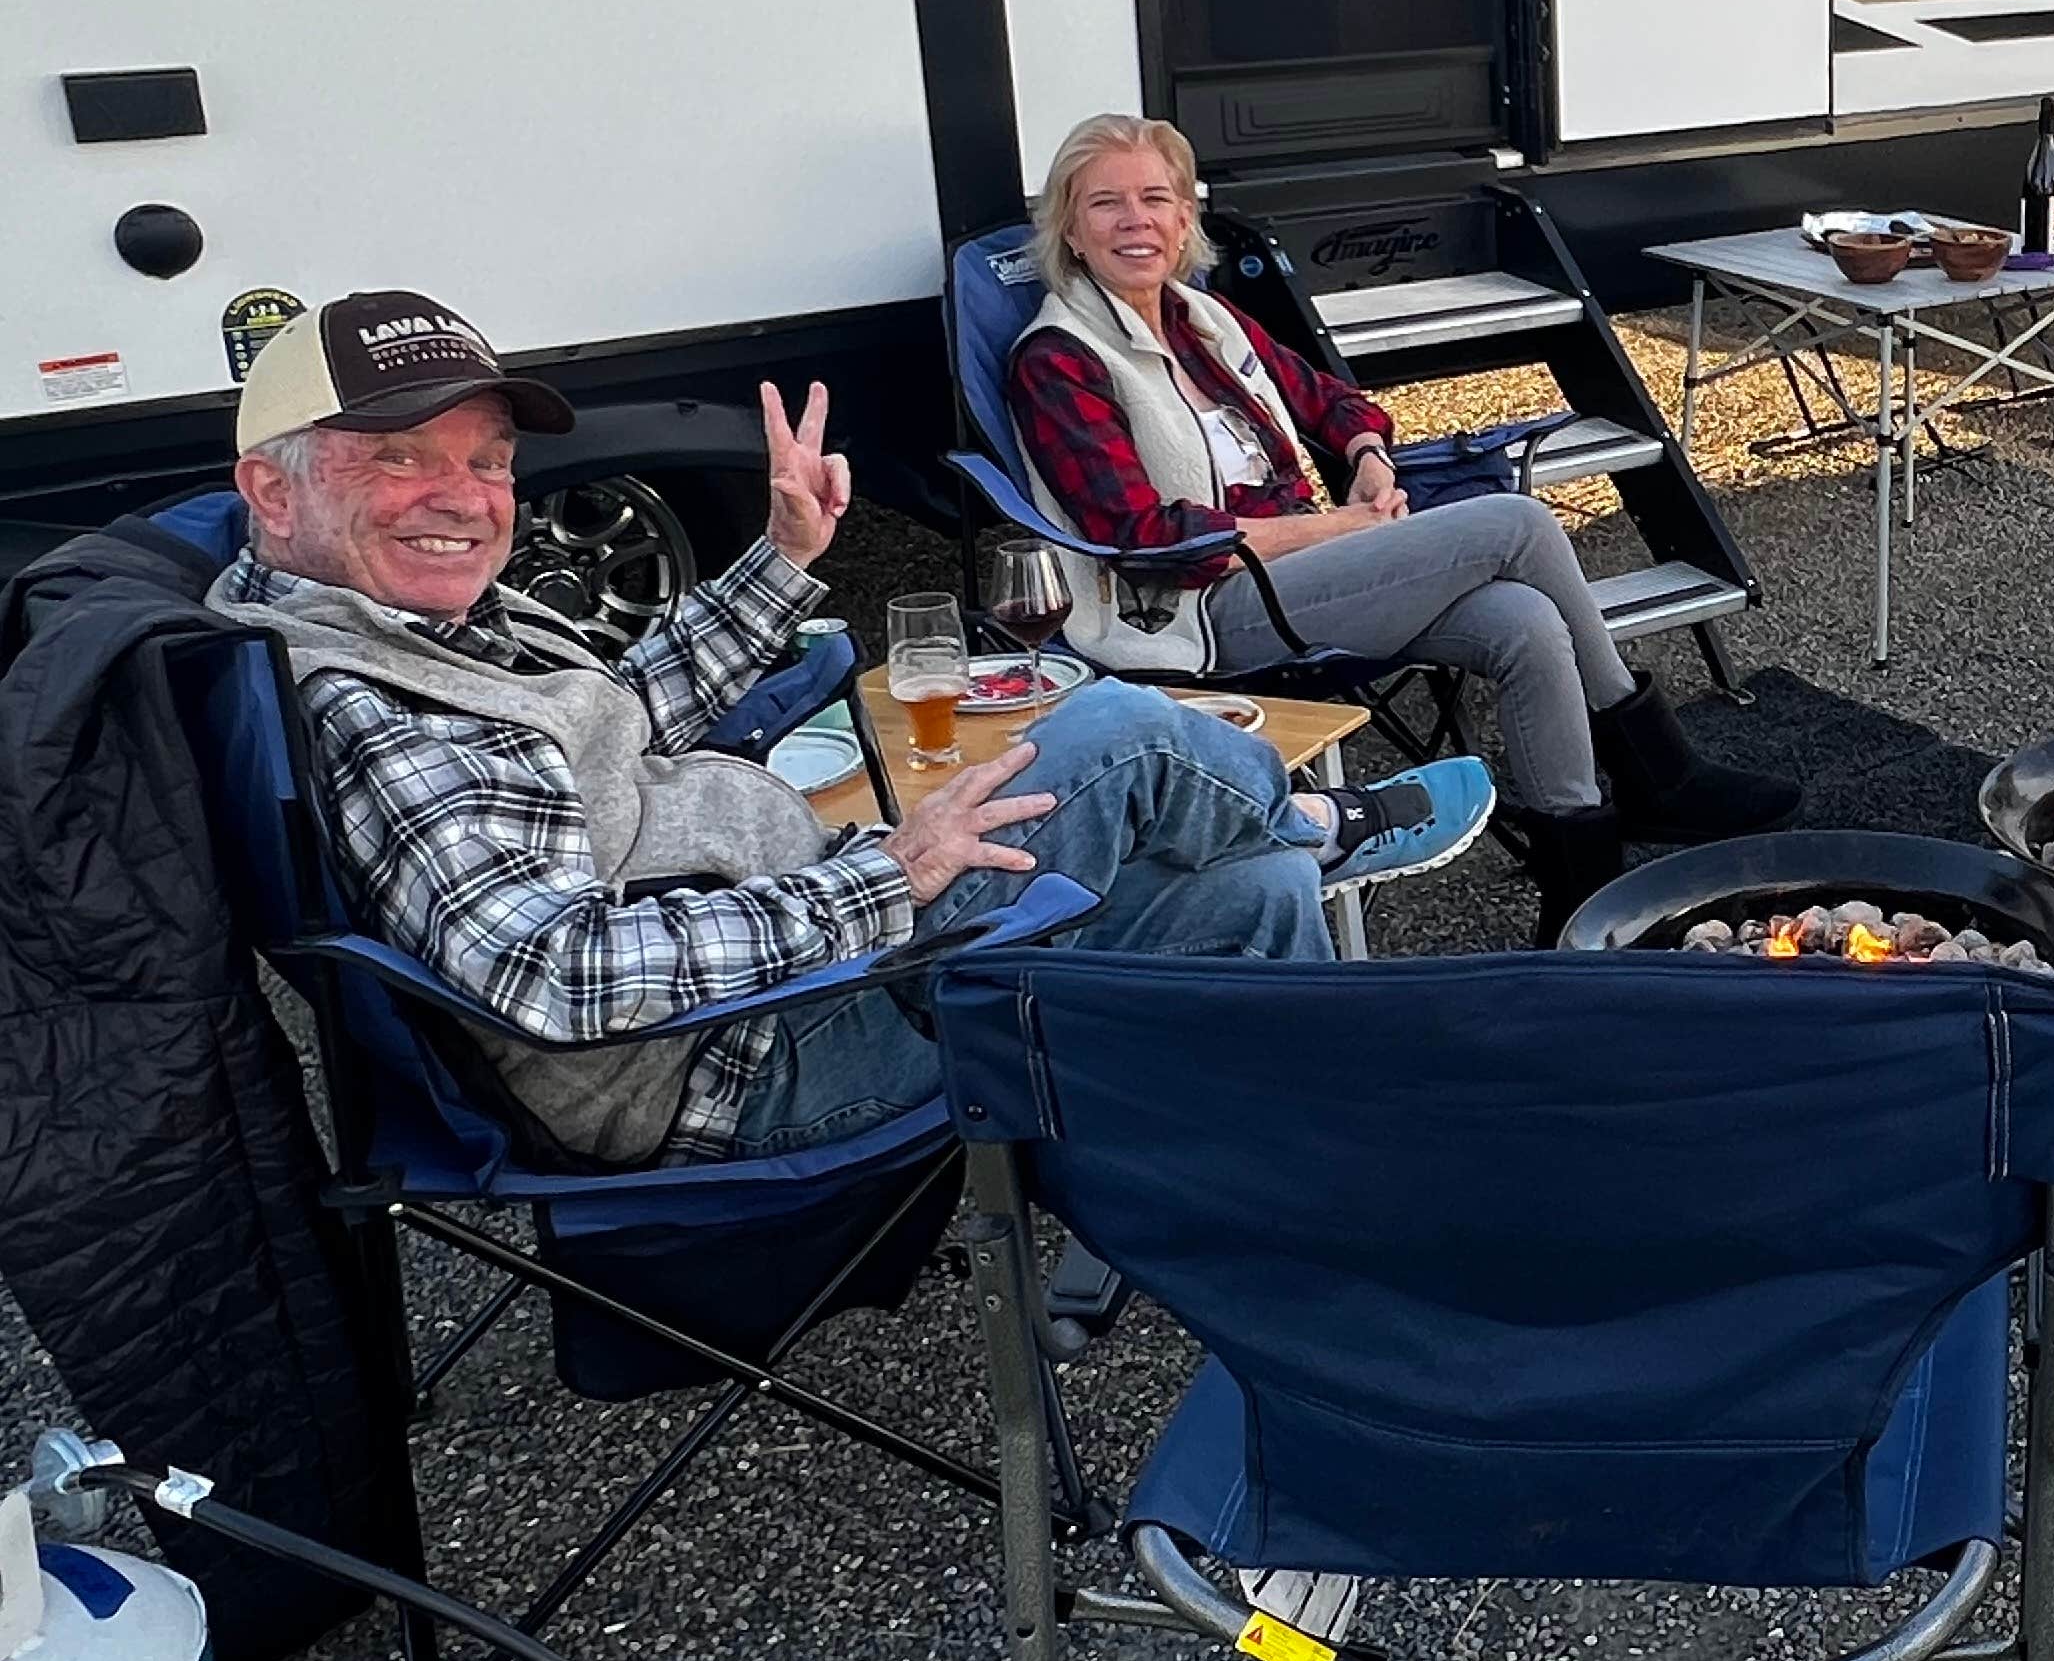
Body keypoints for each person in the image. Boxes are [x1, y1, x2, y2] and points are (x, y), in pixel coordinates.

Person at [210, 290, 1480, 1169]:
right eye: (398, 461)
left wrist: (782, 559)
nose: (467, 498)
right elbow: (560, 976)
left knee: (1245, 894)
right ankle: (1320, 818)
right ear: (273, 486)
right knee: (1118, 733)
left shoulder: (397, 618)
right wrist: (888, 876)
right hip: (741, 1059)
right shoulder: (363, 698)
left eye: (486, 461)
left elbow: (610, 723)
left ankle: (1281, 1168)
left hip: (795, 957)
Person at [1001, 115, 1795, 934]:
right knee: (1516, 523)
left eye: (1155, 198)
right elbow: (1151, 541)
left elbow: (1334, 401)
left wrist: (1370, 457)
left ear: (1183, 219)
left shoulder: (1203, 319)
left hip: (1299, 576)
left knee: (1523, 621)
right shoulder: (1058, 357)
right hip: (1200, 615)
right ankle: (1658, 772)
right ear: (1069, 227)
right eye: (1106, 204)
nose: (1136, 220)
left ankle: (1581, 897)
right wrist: (1344, 530)